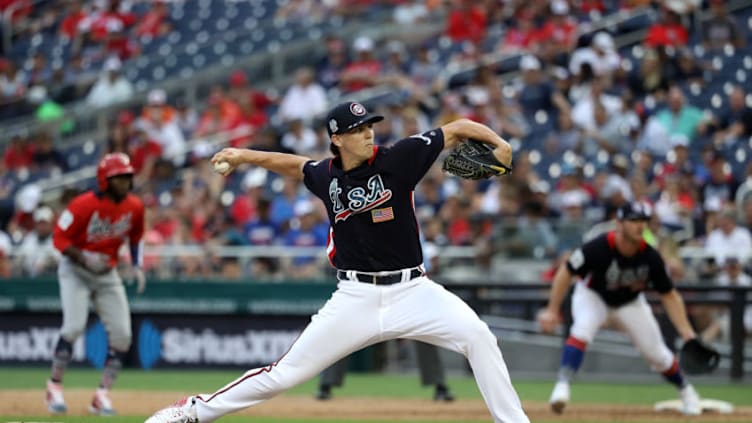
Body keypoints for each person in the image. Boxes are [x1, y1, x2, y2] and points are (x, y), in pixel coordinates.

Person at [145, 101, 528, 423]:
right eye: (358, 129)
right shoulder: (326, 176)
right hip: (355, 297)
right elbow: (294, 165)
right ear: (337, 139)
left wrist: (498, 143)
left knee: (479, 337)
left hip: (414, 291)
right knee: (283, 375)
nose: (368, 134)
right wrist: (244, 156)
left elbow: (458, 128)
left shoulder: (401, 159)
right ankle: (193, 411)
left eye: (369, 126)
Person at [537, 201, 703, 416]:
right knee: (582, 328)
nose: (639, 226)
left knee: (657, 354)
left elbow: (669, 295)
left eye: (643, 220)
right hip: (593, 295)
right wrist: (552, 309)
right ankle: (562, 385)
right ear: (619, 223)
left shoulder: (651, 257)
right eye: (633, 220)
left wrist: (686, 332)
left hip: (630, 302)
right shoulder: (597, 247)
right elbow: (566, 271)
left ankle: (687, 392)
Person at [45, 153, 146, 416]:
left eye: (127, 176)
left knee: (123, 336)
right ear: (104, 179)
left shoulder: (135, 206)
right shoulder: (82, 205)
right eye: (118, 177)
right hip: (76, 270)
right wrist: (81, 256)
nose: (124, 182)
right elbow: (58, 238)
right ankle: (54, 385)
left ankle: (101, 396)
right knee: (73, 327)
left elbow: (136, 236)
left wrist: (136, 264)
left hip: (107, 273)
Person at [315, 340, 455, 402]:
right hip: (368, 290)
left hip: (402, 289)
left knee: (424, 331)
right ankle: (326, 384)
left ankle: (439, 385)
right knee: (344, 329)